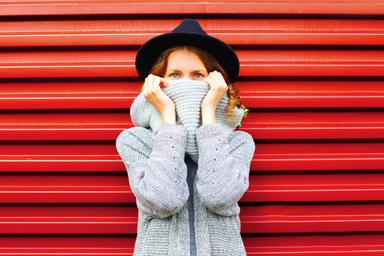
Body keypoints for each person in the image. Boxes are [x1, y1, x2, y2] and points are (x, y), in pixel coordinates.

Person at [116, 19, 255, 256]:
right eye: (175, 75)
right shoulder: (135, 140)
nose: (187, 84)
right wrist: (168, 118)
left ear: (217, 83)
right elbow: (165, 200)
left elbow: (219, 197)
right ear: (157, 82)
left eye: (198, 75)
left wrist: (209, 114)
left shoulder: (237, 143)